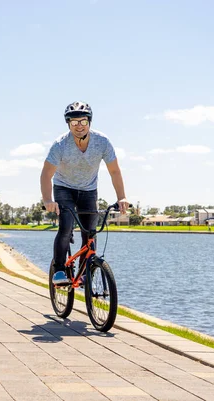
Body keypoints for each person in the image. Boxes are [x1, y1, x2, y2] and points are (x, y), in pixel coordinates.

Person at [40, 101, 130, 286]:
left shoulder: (102, 142)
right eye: (74, 122)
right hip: (64, 188)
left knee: (90, 233)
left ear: (89, 122)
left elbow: (114, 171)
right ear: (68, 124)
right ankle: (58, 270)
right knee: (65, 227)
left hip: (89, 189)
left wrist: (121, 197)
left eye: (83, 121)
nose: (79, 126)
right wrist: (48, 200)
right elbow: (46, 174)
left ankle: (85, 271)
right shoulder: (60, 145)